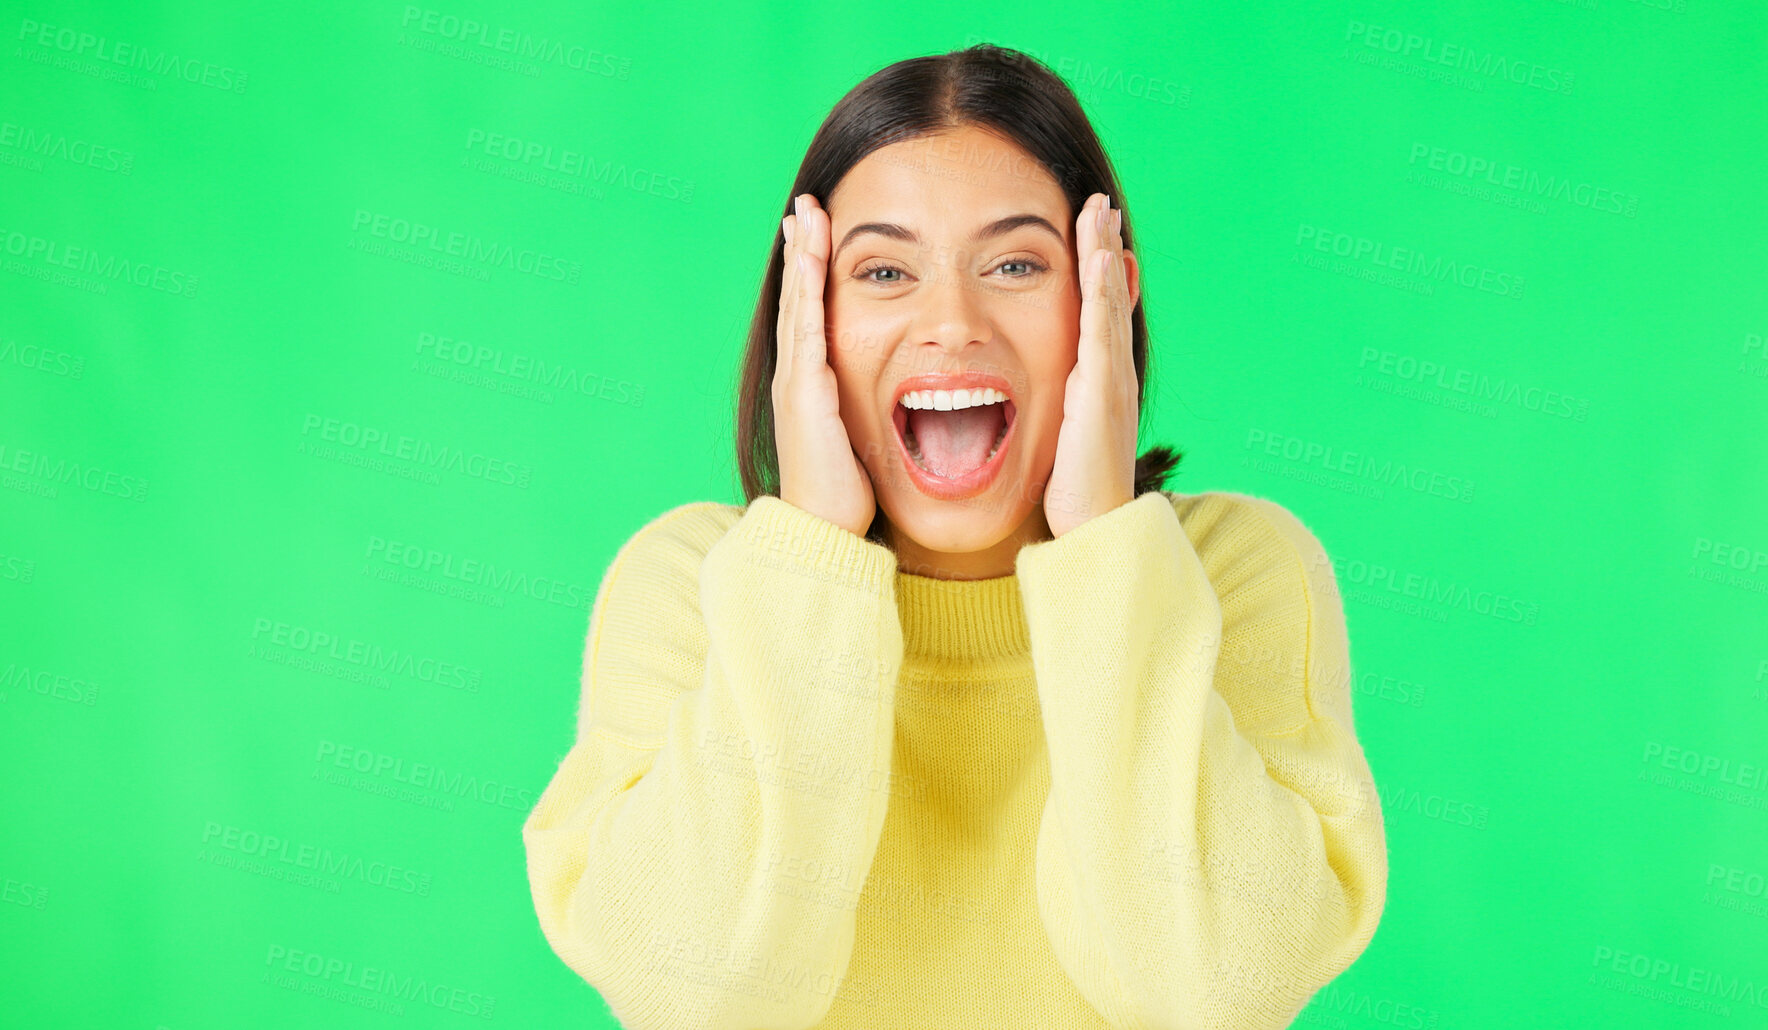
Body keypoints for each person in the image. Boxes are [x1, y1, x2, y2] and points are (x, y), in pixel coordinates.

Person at [522, 43, 1387, 1030]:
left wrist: (1106, 547)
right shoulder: (692, 585)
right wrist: (810, 547)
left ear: (1102, 299)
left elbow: (1213, 994)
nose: (951, 323)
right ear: (807, 319)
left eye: (1015, 263)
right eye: (885, 270)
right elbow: (703, 999)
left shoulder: (1232, 571)